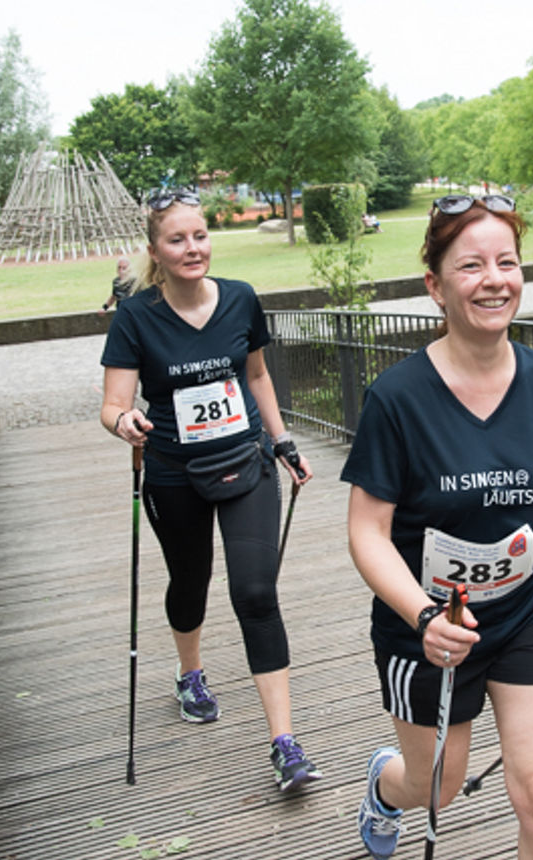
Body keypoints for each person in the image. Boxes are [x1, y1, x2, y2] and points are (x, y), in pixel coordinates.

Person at [341, 193, 533, 859]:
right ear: (435, 287)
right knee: (437, 784)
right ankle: (383, 788)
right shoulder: (396, 399)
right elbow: (367, 532)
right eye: (471, 266)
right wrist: (425, 618)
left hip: (524, 616)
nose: (494, 279)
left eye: (507, 262)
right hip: (424, 630)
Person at [99, 187, 322, 792]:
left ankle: (284, 742)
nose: (192, 248)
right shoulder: (137, 317)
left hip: (246, 460)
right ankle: (190, 672)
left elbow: (256, 376)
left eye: (199, 235)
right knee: (190, 583)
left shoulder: (241, 299)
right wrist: (126, 423)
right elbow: (113, 404)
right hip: (174, 473)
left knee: (255, 592)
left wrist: (283, 442)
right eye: (177, 239)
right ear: (156, 250)